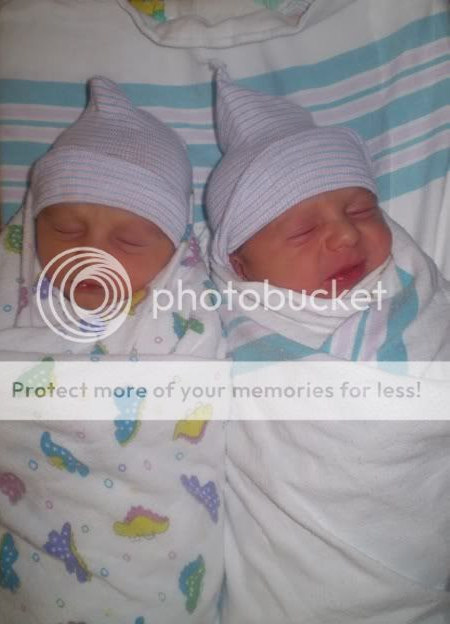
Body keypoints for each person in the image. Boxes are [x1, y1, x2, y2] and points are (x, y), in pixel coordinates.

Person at [205, 67, 450, 624]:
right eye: (302, 231)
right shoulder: (223, 324)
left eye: (361, 210)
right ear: (239, 266)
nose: (345, 233)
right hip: (295, 589)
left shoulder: (414, 294)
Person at [0, 77, 225, 623]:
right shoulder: (8, 306)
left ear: (174, 251)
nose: (92, 254)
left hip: (156, 574)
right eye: (67, 230)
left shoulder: (188, 318)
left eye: (129, 240)